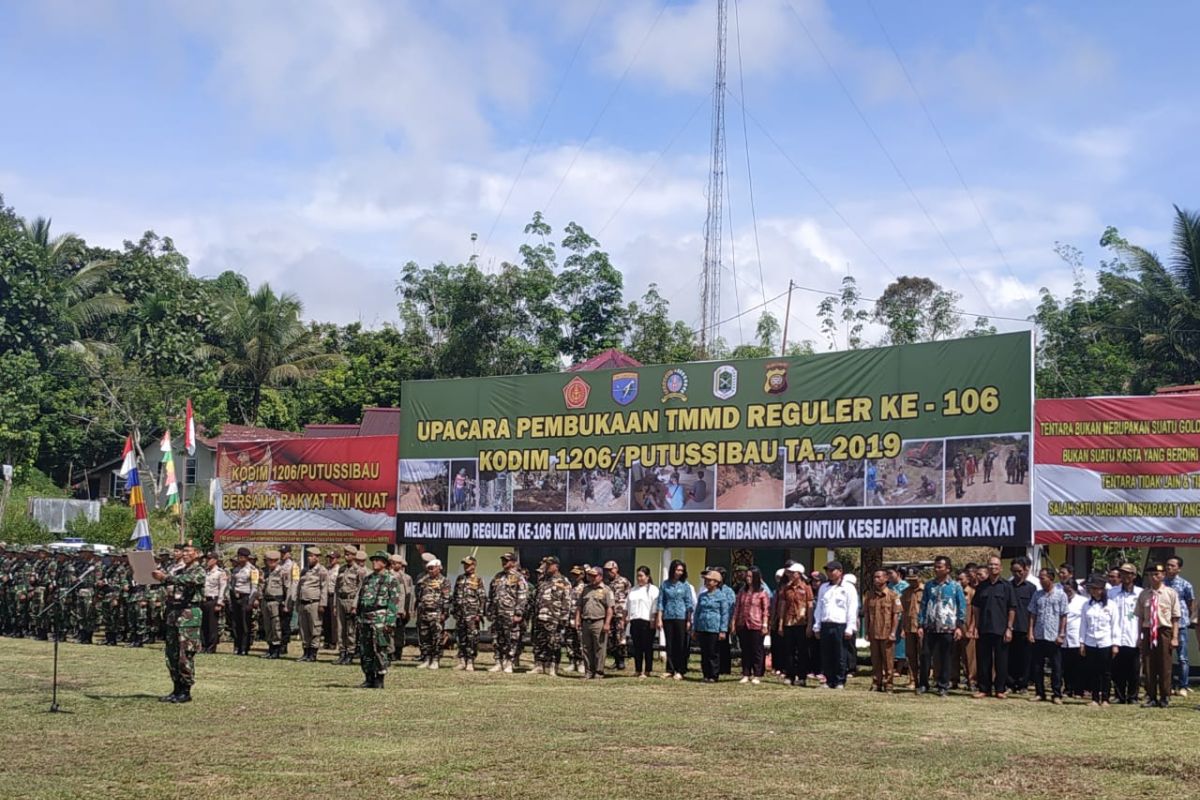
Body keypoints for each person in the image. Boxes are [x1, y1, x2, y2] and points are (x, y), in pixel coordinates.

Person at [152, 543, 205, 704]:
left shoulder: (199, 571)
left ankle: (186, 690)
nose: (185, 554)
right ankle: (176, 688)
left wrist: (166, 577)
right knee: (172, 654)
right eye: (183, 551)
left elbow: (188, 581)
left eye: (188, 551)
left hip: (189, 615)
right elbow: (168, 583)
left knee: (185, 654)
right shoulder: (179, 571)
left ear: (197, 554)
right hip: (174, 614)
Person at [918, 556, 967, 698]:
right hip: (930, 627)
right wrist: (921, 624)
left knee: (946, 657)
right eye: (936, 566)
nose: (936, 569)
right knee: (926, 655)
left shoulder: (955, 586)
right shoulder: (929, 585)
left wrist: (959, 626)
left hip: (948, 627)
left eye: (940, 567)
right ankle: (923, 684)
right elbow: (923, 605)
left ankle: (943, 685)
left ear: (948, 569)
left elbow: (961, 607)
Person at [1134, 563, 1181, 708]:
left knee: (1165, 665)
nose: (1154, 577)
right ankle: (1151, 696)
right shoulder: (1144, 594)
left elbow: (1175, 618)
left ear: (1163, 576)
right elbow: (1140, 618)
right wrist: (1139, 637)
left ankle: (1165, 696)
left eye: (1157, 574)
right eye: (1151, 575)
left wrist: (1174, 637)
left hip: (1164, 631)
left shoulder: (1170, 593)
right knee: (1149, 665)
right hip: (1148, 631)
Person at [970, 556, 1016, 699]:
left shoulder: (1007, 586)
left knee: (1001, 661)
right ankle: (984, 688)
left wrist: (1009, 628)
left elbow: (1012, 608)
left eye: (996, 565)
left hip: (1001, 629)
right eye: (990, 565)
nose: (993, 567)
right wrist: (976, 626)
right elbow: (976, 607)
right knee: (983, 660)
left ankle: (1000, 689)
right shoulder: (981, 586)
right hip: (984, 628)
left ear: (1001, 568)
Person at [356, 551, 401, 689]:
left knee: (380, 648)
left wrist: (390, 621)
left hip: (380, 618)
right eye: (374, 560)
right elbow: (361, 598)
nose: (374, 562)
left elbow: (393, 602)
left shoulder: (391, 580)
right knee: (365, 649)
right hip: (366, 617)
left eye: (378, 560)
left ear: (385, 563)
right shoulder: (368, 578)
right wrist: (358, 615)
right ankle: (368, 677)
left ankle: (380, 678)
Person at [812, 561, 858, 690]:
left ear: (840, 571)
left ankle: (839, 681)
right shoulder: (824, 587)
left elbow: (852, 608)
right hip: (826, 623)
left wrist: (850, 627)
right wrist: (817, 626)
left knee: (840, 654)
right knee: (826, 654)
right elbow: (819, 608)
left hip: (840, 624)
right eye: (828, 570)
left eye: (832, 570)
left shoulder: (848, 588)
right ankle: (828, 679)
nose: (830, 573)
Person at [1027, 567, 1068, 704]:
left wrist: (1061, 633)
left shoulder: (1061, 595)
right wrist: (1031, 631)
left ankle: (1056, 694)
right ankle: (1040, 692)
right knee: (1037, 665)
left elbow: (1063, 616)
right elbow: (1033, 614)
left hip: (1054, 635)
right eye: (1039, 578)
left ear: (1051, 578)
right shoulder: (1037, 595)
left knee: (1056, 666)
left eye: (1043, 578)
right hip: (1039, 634)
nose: (1041, 580)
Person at [1079, 575, 1118, 707]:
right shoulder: (1086, 605)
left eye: (1096, 589)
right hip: (1090, 641)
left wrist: (1115, 644)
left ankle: (1105, 698)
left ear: (1102, 590)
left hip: (1105, 641)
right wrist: (1082, 642)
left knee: (1105, 672)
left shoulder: (1111, 605)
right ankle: (1095, 698)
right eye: (1091, 589)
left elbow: (1115, 625)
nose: (1093, 591)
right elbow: (1083, 625)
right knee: (1093, 671)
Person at [487, 553, 529, 673]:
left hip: (511, 614)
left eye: (507, 560)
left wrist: (519, 613)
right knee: (497, 638)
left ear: (514, 562)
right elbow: (491, 595)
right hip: (497, 614)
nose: (504, 563)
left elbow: (522, 596)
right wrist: (489, 610)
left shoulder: (519, 577)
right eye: (503, 560)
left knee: (511, 639)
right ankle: (498, 662)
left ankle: (509, 662)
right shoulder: (498, 576)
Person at [1107, 563, 1142, 704]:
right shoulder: (1112, 592)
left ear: (1133, 576)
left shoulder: (1141, 593)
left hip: (1133, 635)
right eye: (1122, 573)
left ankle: (1133, 695)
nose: (1125, 576)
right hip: (1116, 635)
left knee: (1134, 669)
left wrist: (1142, 637)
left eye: (1128, 573)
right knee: (1117, 668)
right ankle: (1119, 695)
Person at [531, 556, 572, 676]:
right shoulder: (542, 580)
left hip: (554, 618)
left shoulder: (563, 581)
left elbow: (567, 601)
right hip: (539, 617)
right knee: (539, 642)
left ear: (556, 566)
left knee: (554, 643)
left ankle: (553, 667)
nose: (546, 567)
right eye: (545, 564)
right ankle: (539, 665)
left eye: (549, 565)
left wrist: (563, 618)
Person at [864, 569, 901, 692]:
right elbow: (867, 614)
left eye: (879, 577)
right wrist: (866, 631)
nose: (876, 579)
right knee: (875, 660)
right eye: (874, 577)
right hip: (874, 632)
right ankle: (876, 683)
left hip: (887, 633)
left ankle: (889, 684)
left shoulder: (893, 595)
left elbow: (896, 615)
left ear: (886, 579)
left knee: (888, 661)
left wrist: (893, 632)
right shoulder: (869, 596)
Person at [776, 563, 813, 686]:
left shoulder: (806, 588)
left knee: (802, 651)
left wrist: (809, 625)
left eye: (793, 573)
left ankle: (802, 677)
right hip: (788, 622)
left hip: (802, 623)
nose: (790, 575)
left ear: (799, 574)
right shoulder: (786, 588)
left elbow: (810, 606)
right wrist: (781, 623)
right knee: (788, 651)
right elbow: (782, 606)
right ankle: (789, 675)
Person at [656, 559, 694, 680]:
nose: (679, 572)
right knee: (670, 644)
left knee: (681, 644)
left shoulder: (685, 586)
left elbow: (689, 604)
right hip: (668, 616)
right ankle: (670, 669)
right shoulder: (665, 585)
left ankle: (680, 669)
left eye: (681, 570)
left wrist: (688, 620)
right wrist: (659, 618)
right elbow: (661, 602)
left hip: (681, 617)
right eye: (678, 570)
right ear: (673, 570)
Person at [733, 566, 771, 684]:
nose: (748, 578)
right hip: (743, 623)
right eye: (747, 576)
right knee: (745, 650)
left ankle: (757, 674)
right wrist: (734, 623)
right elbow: (737, 608)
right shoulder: (742, 591)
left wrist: (765, 625)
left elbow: (766, 610)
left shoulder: (762, 593)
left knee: (757, 650)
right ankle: (746, 673)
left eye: (750, 576)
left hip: (756, 624)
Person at [575, 566, 614, 679]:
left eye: (594, 576)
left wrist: (607, 623)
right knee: (586, 647)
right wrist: (577, 619)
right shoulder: (585, 589)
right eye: (590, 575)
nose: (591, 578)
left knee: (599, 648)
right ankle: (588, 671)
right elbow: (579, 606)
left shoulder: (606, 590)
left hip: (599, 622)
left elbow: (610, 609)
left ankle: (599, 672)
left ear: (600, 576)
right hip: (586, 622)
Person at [693, 570, 733, 683]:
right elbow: (697, 612)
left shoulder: (721, 596)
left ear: (716, 582)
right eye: (706, 580)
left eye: (709, 580)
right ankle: (705, 674)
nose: (707, 582)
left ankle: (713, 675)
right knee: (704, 653)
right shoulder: (702, 596)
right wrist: (695, 628)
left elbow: (725, 614)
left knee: (713, 653)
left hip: (714, 628)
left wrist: (723, 630)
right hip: (702, 627)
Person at [1163, 556, 1194, 697]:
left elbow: (1190, 603)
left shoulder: (1185, 584)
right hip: (1164, 623)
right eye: (1167, 565)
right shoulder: (1161, 583)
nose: (1169, 568)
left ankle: (1184, 685)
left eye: (1172, 565)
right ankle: (1166, 685)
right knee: (1165, 657)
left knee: (1182, 657)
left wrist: (1186, 617)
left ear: (1179, 568)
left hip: (1180, 624)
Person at [451, 555, 487, 671]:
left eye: (468, 564)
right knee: (461, 637)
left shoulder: (478, 579)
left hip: (472, 614)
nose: (466, 567)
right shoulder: (460, 578)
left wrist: (480, 614)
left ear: (474, 565)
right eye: (464, 564)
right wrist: (454, 610)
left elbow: (482, 598)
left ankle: (470, 661)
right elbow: (455, 596)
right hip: (460, 614)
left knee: (472, 638)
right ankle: (462, 660)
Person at [414, 557, 450, 669]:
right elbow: (419, 596)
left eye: (432, 568)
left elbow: (447, 598)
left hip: (437, 613)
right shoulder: (423, 581)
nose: (430, 571)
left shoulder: (444, 581)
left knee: (437, 638)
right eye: (428, 568)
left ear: (438, 568)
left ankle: (435, 659)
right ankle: (426, 658)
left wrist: (445, 613)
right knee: (425, 637)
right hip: (424, 613)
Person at [1007, 556, 1036, 694]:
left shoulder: (1031, 588)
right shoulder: (1007, 586)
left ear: (1025, 570)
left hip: (1025, 628)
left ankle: (1023, 684)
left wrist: (1032, 629)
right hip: (1010, 628)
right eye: (1013, 571)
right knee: (1010, 657)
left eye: (1019, 571)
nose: (1016, 574)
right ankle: (1010, 684)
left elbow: (1034, 610)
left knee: (1025, 659)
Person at [295, 547, 328, 663]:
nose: (309, 558)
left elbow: (324, 588)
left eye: (311, 556)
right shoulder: (304, 571)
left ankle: (313, 654)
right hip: (303, 603)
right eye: (308, 555)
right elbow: (300, 587)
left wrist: (322, 604)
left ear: (316, 557)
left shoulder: (322, 571)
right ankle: (306, 652)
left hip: (314, 603)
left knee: (315, 628)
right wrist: (297, 602)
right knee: (304, 629)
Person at [335, 547, 367, 665]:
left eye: (348, 554)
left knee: (350, 629)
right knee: (340, 629)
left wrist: (355, 605)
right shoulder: (342, 569)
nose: (346, 556)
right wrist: (334, 604)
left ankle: (350, 653)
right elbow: (336, 588)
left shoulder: (359, 571)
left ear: (354, 556)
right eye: (345, 554)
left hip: (351, 600)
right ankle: (342, 652)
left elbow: (361, 589)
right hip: (340, 600)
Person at [626, 566, 659, 678]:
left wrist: (654, 620)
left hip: (647, 621)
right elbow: (628, 605)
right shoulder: (633, 590)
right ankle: (638, 669)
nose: (639, 578)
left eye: (641, 576)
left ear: (647, 577)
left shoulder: (653, 589)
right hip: (635, 621)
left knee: (647, 647)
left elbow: (655, 606)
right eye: (638, 576)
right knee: (637, 647)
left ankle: (647, 670)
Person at [1059, 567, 1086, 698]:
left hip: (1077, 637)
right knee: (1066, 666)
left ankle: (1079, 690)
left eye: (1070, 588)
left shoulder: (1083, 601)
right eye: (1065, 588)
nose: (1067, 590)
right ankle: (1068, 688)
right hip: (1064, 638)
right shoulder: (1061, 600)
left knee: (1078, 666)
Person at [899, 567, 926, 692]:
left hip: (922, 628)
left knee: (924, 654)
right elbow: (904, 612)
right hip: (909, 627)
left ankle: (924, 680)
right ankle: (913, 679)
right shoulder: (905, 592)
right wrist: (903, 628)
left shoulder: (926, 591)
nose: (912, 582)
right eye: (909, 580)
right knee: (911, 655)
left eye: (914, 579)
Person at [228, 547, 258, 656]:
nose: (240, 559)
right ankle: (237, 646)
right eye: (239, 557)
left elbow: (254, 587)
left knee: (246, 624)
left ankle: (245, 648)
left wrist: (251, 601)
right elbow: (232, 584)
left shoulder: (253, 570)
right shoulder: (236, 569)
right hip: (236, 597)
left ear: (247, 558)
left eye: (242, 557)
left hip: (246, 597)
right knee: (236, 624)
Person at [258, 550, 288, 660]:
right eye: (267, 561)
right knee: (268, 626)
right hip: (266, 601)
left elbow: (287, 588)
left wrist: (286, 603)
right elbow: (262, 586)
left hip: (276, 602)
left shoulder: (282, 572)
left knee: (276, 626)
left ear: (276, 561)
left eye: (270, 561)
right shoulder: (266, 572)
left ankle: (276, 649)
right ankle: (270, 648)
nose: (268, 563)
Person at [604, 560, 632, 671]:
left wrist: (627, 615)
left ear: (616, 569)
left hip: (621, 615)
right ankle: (616, 660)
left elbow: (630, 598)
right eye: (607, 571)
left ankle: (621, 662)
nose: (609, 573)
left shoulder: (624, 581)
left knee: (620, 638)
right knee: (611, 638)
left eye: (610, 570)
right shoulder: (607, 583)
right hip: (610, 614)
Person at [956, 565, 978, 690]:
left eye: (962, 579)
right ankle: (954, 679)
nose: (959, 582)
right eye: (957, 579)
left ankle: (972, 680)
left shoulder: (973, 593)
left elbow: (975, 613)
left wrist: (972, 628)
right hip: (956, 627)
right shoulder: (954, 592)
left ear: (968, 580)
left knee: (970, 656)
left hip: (968, 627)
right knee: (954, 654)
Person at [276, 544, 299, 656]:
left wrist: (290, 600)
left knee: (285, 622)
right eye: (281, 552)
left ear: (289, 553)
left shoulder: (293, 566)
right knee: (277, 622)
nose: (282, 555)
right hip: (279, 594)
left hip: (288, 595)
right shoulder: (279, 565)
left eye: (284, 553)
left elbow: (295, 583)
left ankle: (284, 645)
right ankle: (277, 642)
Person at [323, 550, 340, 651]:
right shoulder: (327, 569)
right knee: (326, 620)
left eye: (332, 558)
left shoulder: (339, 570)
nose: (330, 560)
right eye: (329, 558)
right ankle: (327, 640)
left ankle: (334, 641)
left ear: (337, 559)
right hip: (326, 595)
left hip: (334, 595)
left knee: (334, 621)